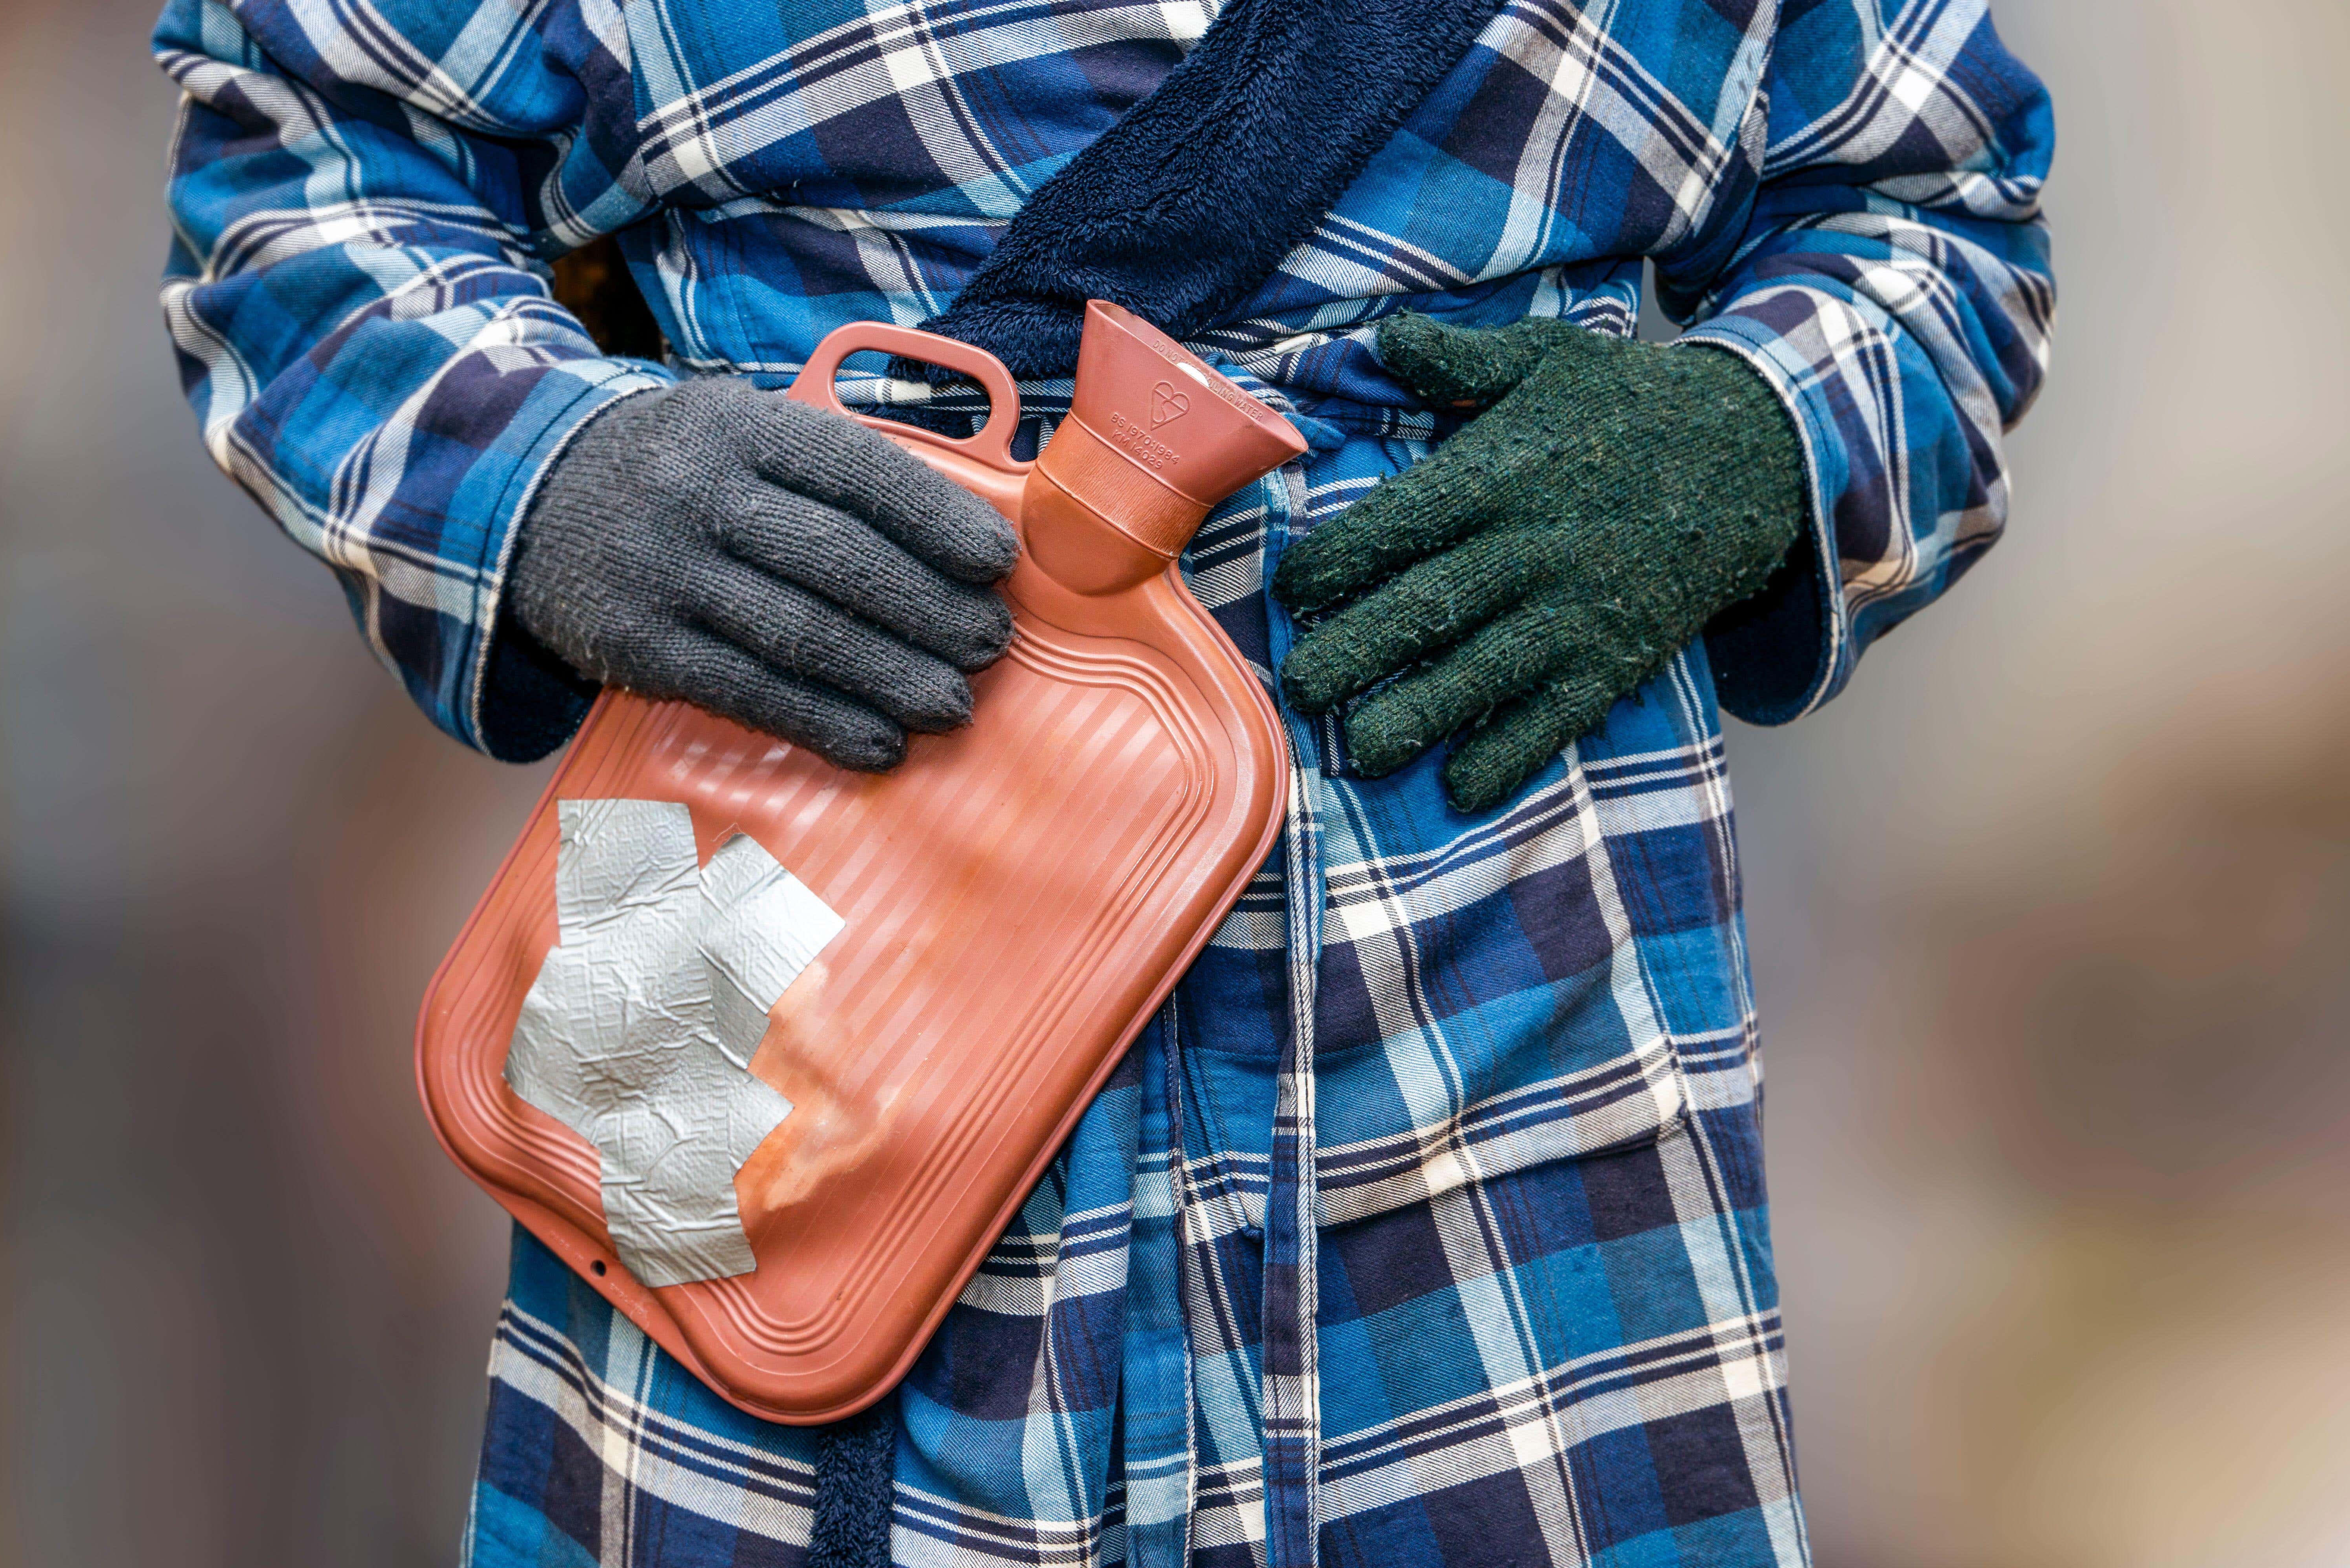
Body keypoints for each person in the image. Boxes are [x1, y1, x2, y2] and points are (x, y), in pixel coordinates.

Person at [153, 0, 2054, 1563]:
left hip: (1499, 1018)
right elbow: (300, 169)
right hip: (790, 824)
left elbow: (1940, 211)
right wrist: (552, 476)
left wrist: (1754, 433)